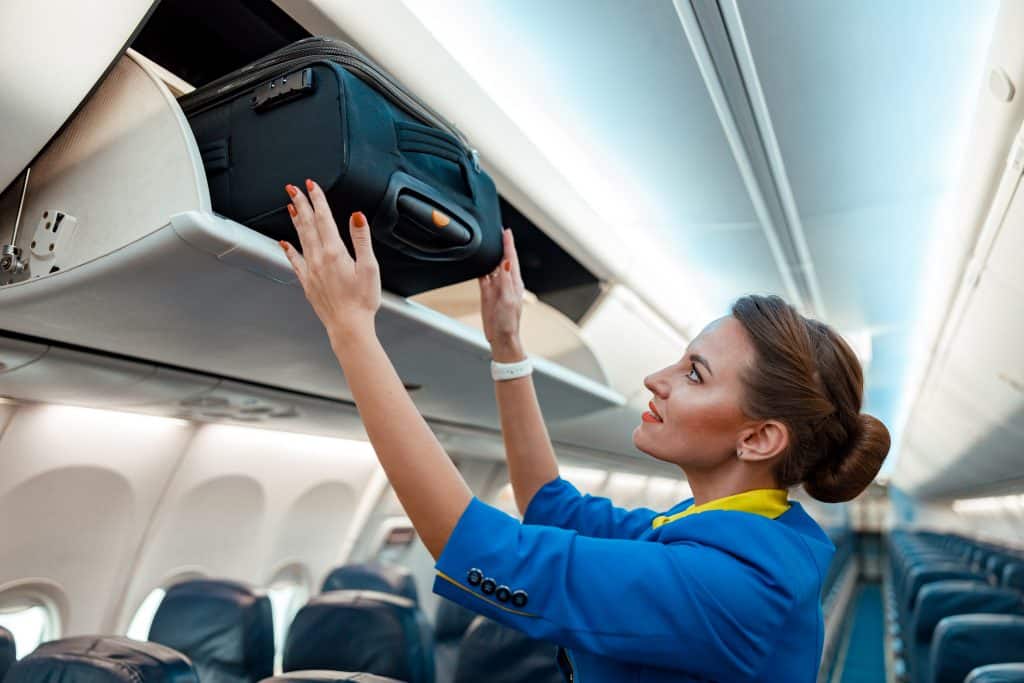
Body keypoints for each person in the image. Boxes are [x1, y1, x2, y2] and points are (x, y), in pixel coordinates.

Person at [278, 180, 890, 682]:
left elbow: (480, 548)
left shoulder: (735, 582)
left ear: (758, 438)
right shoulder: (720, 529)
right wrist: (509, 347)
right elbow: (551, 505)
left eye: (694, 374)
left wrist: (353, 330)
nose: (656, 379)